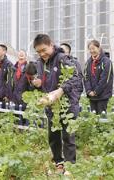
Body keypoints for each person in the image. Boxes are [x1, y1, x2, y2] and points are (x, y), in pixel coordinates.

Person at [31, 34, 82, 174]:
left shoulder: (62, 58)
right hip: (51, 105)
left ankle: (70, 166)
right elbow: (46, 81)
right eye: (38, 52)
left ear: (51, 45)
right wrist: (39, 84)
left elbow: (76, 78)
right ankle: (59, 162)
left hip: (67, 104)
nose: (42, 54)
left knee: (68, 136)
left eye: (44, 50)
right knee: (53, 135)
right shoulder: (40, 63)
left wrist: (60, 91)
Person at [83, 40, 114, 114]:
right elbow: (86, 77)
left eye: (93, 48)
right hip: (91, 95)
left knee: (101, 116)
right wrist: (89, 91)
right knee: (93, 116)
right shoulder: (88, 62)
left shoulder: (106, 61)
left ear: (99, 48)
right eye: (90, 49)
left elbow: (105, 79)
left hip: (102, 95)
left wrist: (96, 91)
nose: (92, 51)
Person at [0, 44, 13, 108]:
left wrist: (7, 95)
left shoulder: (9, 64)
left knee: (5, 114)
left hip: (5, 96)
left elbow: (10, 81)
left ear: (4, 52)